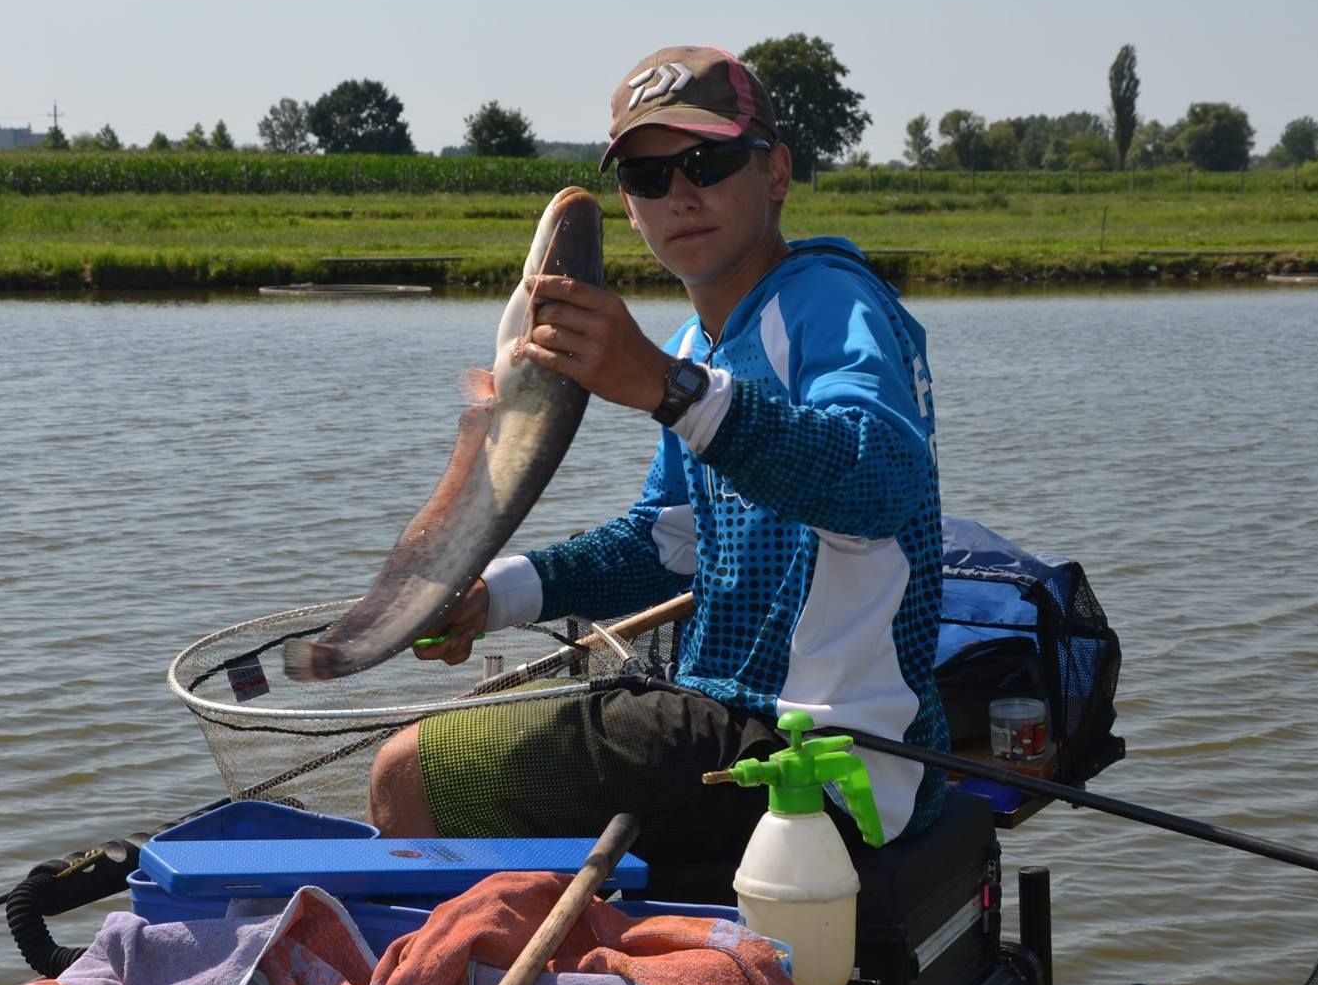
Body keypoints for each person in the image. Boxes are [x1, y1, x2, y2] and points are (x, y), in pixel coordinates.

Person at [368, 45, 947, 884]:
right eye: (647, 178)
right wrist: (498, 594)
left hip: (825, 755)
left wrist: (666, 389)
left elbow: (882, 479)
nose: (680, 193)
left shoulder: (827, 301)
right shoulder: (700, 343)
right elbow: (667, 543)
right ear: (631, 211)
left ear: (776, 173)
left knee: (408, 773)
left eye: (708, 162)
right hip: (731, 723)